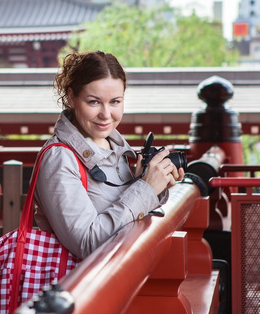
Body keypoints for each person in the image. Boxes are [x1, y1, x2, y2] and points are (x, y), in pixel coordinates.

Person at [33, 50, 184, 260]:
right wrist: (144, 188)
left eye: (115, 102)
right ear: (71, 97)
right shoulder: (60, 159)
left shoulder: (114, 146)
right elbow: (87, 243)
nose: (106, 114)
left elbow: (124, 216)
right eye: (94, 102)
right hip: (82, 286)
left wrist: (153, 184)